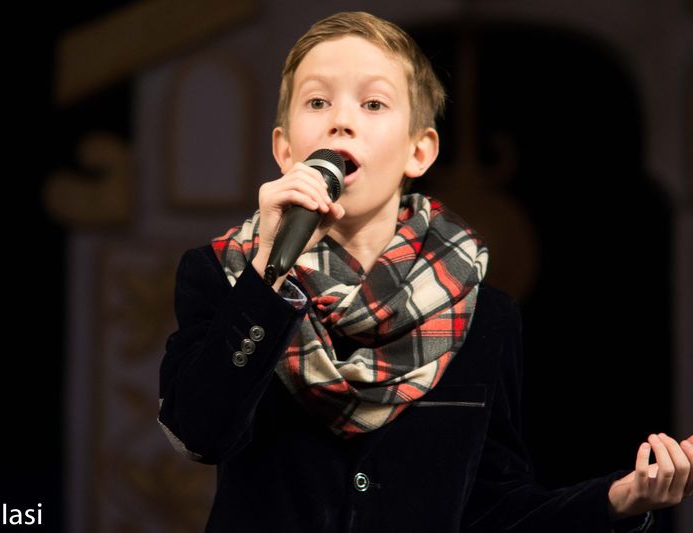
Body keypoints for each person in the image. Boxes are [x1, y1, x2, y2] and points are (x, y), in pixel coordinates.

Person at [157, 11, 693, 533]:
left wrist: (617, 501)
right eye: (317, 101)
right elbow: (199, 434)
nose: (340, 120)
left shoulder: (484, 313)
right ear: (284, 147)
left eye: (373, 103)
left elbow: (494, 509)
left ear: (420, 150)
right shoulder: (223, 276)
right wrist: (266, 278)